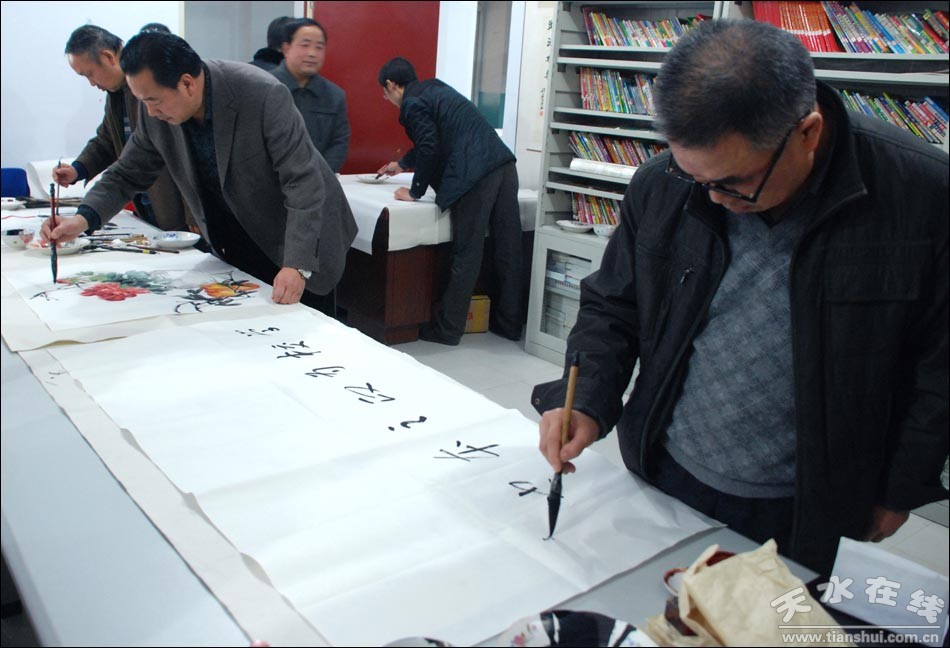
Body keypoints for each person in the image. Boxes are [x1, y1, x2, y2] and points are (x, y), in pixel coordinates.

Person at [533, 19, 948, 574]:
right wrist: (585, 397)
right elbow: (613, 305)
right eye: (694, 176)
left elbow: (940, 368)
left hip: (804, 499)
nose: (713, 198)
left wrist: (900, 486)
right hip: (665, 462)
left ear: (807, 133)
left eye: (732, 183)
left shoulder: (924, 198)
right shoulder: (664, 183)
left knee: (774, 613)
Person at [41, 31, 358, 312]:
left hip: (298, 235)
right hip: (237, 235)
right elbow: (127, 173)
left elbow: (303, 182)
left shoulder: (260, 94)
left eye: (153, 101)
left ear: (187, 83)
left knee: (303, 333)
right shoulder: (157, 110)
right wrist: (82, 219)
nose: (149, 112)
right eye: (142, 101)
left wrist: (296, 265)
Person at [376, 57, 523, 345]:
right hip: (502, 164)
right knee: (508, 248)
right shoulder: (435, 88)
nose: (387, 99)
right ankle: (509, 323)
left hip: (475, 176)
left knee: (466, 253)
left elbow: (430, 145)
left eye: (384, 93)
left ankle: (448, 329)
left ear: (391, 85)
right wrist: (402, 163)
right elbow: (440, 137)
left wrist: (415, 191)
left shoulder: (411, 103)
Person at [53, 25, 189, 232]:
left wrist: (192, 212)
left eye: (90, 74)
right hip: (145, 200)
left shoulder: (151, 85)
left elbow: (184, 152)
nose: (91, 83)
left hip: (174, 203)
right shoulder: (116, 94)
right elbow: (107, 140)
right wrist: (78, 169)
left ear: (108, 57)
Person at [272, 18, 349, 173]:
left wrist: (320, 176)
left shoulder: (334, 96)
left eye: (319, 47)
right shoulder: (265, 88)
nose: (312, 53)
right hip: (272, 180)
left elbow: (339, 142)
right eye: (305, 45)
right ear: (286, 49)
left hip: (318, 180)